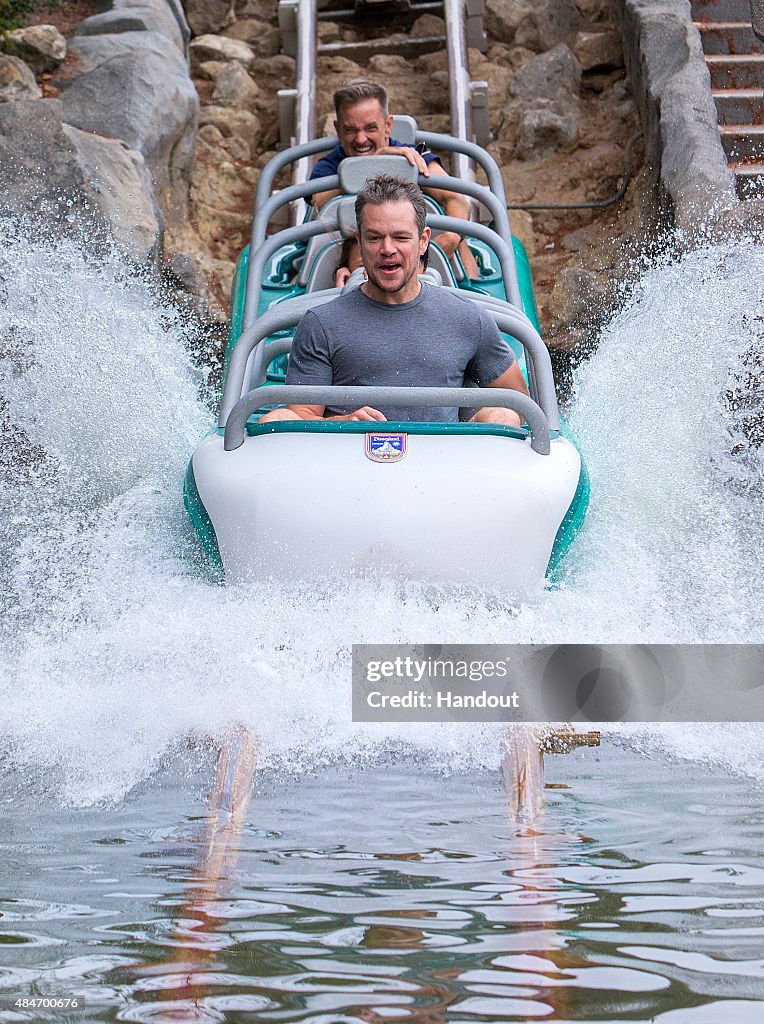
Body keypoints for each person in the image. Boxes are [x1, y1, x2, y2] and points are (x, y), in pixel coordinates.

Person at [260, 174, 528, 427]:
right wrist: (342, 423)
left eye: (400, 237)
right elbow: (300, 417)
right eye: (375, 238)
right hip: (346, 463)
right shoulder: (321, 324)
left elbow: (521, 404)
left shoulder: (468, 319)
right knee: (274, 419)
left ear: (423, 242)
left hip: (444, 463)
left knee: (503, 415)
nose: (387, 249)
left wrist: (481, 424)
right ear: (361, 242)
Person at [311, 80, 480, 279]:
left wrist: (451, 238)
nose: (360, 139)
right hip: (354, 263)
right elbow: (317, 203)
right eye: (350, 130)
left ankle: (471, 287)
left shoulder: (413, 155)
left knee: (461, 240)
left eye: (370, 128)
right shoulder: (330, 165)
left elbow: (456, 199)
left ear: (388, 125)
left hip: (420, 261)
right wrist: (374, 162)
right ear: (338, 129)